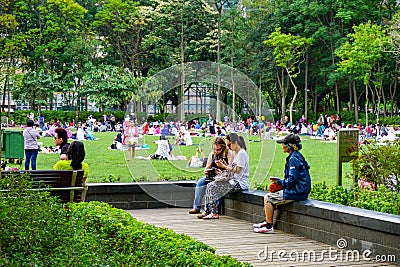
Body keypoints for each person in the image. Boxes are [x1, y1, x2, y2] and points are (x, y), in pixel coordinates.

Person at [254, 134, 311, 233]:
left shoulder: (293, 159)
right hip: (300, 191)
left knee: (268, 197)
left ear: (290, 146)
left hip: (297, 192)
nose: (282, 146)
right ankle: (268, 221)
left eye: (284, 144)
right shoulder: (297, 156)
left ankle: (269, 226)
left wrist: (279, 182)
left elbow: (291, 180)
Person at [199, 133, 249, 219]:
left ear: (235, 143)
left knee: (212, 187)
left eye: (229, 144)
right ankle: (207, 210)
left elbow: (237, 170)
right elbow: (233, 169)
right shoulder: (237, 153)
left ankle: (214, 213)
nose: (228, 147)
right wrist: (225, 165)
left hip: (239, 183)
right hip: (234, 181)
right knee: (210, 185)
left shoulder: (241, 153)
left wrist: (224, 167)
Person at [188, 137, 234, 214]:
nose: (216, 151)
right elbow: (206, 169)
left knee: (216, 185)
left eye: (218, 149)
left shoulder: (229, 153)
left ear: (223, 147)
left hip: (224, 178)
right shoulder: (212, 154)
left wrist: (222, 169)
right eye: (215, 149)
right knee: (200, 183)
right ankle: (196, 207)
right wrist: (208, 171)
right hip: (213, 176)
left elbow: (231, 169)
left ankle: (216, 209)